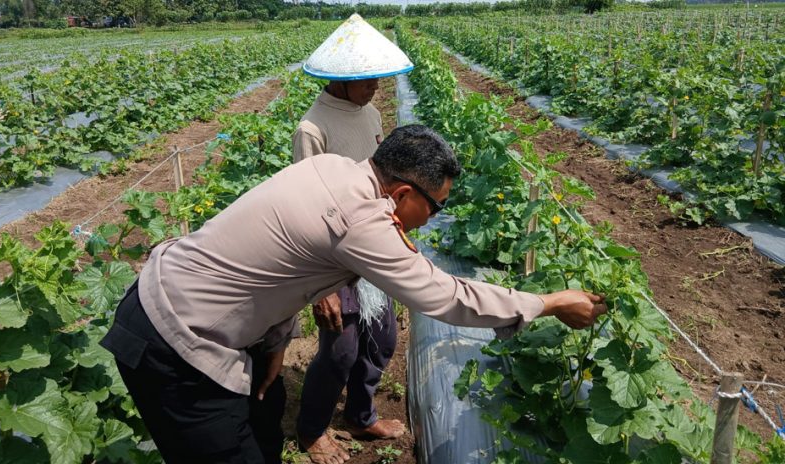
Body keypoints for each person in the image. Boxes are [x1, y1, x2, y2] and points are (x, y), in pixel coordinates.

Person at [100, 124, 607, 464]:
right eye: (437, 207)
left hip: (193, 305)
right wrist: (551, 301)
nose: (435, 218)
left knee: (265, 411)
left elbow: (279, 265)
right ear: (404, 194)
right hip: (170, 340)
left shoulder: (335, 169)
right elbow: (445, 296)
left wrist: (274, 345)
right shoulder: (360, 220)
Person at [290, 14, 415, 463]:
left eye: (377, 76)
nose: (376, 85)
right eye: (365, 79)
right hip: (332, 252)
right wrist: (321, 289)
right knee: (340, 349)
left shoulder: (371, 113)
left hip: (372, 242)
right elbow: (306, 206)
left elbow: (380, 179)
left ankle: (359, 416)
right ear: (338, 81)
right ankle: (312, 430)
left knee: (381, 340)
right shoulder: (313, 128)